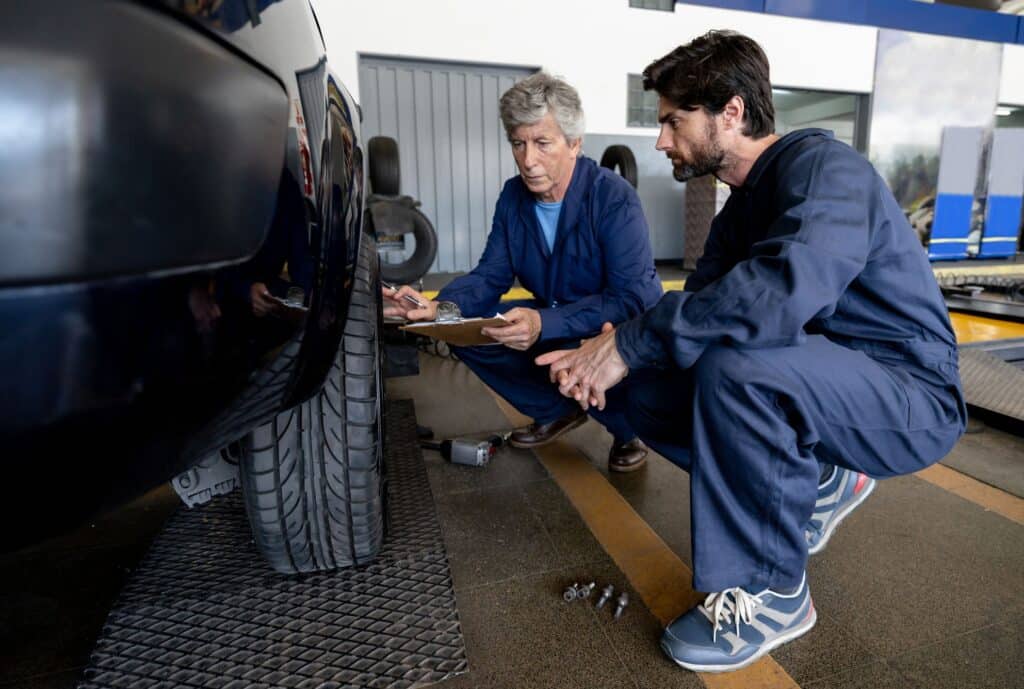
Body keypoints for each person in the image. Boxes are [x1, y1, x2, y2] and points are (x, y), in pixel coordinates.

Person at [538, 30, 965, 673]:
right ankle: (821, 475)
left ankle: (774, 591)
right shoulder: (739, 212)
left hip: (910, 393)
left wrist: (631, 340)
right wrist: (609, 354)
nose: (661, 141)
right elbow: (703, 304)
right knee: (648, 385)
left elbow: (777, 294)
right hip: (825, 382)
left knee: (735, 369)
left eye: (673, 122)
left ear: (730, 113)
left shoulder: (827, 172)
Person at [383, 73, 663, 472]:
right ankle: (556, 410)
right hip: (555, 313)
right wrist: (441, 309)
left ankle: (626, 431)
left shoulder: (613, 198)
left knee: (609, 345)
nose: (528, 160)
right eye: (518, 143)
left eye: (542, 143)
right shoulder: (513, 196)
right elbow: (491, 274)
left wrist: (542, 322)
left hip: (613, 322)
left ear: (575, 144)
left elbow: (630, 298)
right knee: (469, 332)